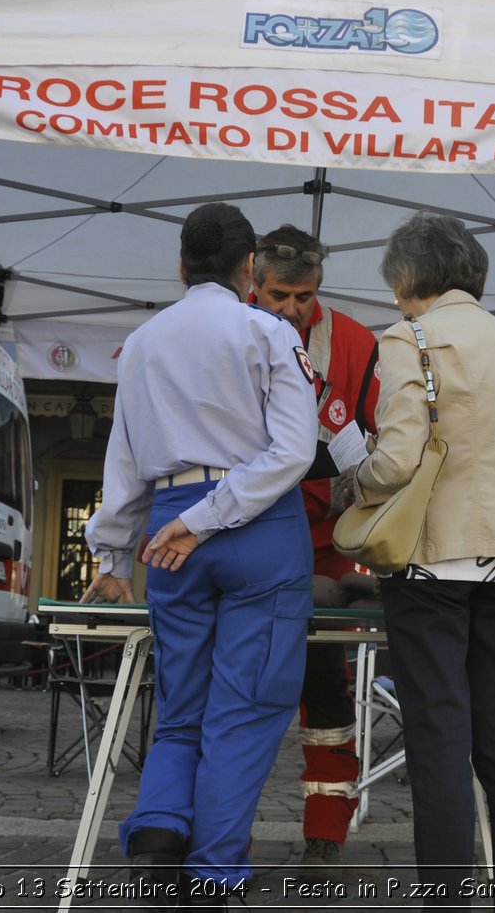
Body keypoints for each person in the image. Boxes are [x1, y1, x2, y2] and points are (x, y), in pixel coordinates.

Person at [82, 202, 316, 909]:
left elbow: (122, 462)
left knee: (182, 703)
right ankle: (214, 872)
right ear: (252, 268)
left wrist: (113, 557)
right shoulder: (268, 331)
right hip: (256, 525)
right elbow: (294, 451)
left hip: (164, 525)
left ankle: (156, 835)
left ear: (181, 266)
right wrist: (209, 517)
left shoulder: (143, 341)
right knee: (243, 709)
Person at [348, 213, 495, 908]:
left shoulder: (409, 338)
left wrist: (357, 480)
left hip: (435, 558)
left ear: (406, 278)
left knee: (440, 738)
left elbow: (400, 456)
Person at [250, 224, 380, 882]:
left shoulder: (357, 344)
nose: (291, 309)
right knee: (239, 691)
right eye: (279, 294)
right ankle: (218, 829)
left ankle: (327, 832)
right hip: (244, 543)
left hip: (325, 548)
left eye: (305, 296)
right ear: (254, 281)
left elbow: (379, 452)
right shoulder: (228, 332)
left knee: (327, 694)